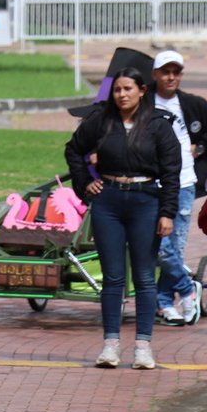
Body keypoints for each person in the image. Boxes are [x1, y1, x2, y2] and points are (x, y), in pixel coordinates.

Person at [64, 67, 181, 370]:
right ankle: (110, 345)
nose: (122, 95)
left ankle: (143, 346)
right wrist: (84, 185)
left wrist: (167, 213)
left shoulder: (158, 124)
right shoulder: (101, 120)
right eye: (117, 90)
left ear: (142, 90)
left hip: (146, 202)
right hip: (109, 202)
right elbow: (74, 150)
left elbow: (171, 173)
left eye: (128, 89)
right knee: (113, 277)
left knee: (144, 276)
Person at [150, 50, 207, 326]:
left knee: (172, 246)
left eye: (176, 72)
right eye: (165, 71)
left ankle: (165, 302)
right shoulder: (142, 100)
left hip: (183, 181)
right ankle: (185, 290)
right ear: (155, 74)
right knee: (159, 247)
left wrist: (202, 145)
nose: (171, 77)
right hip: (149, 183)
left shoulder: (192, 104)